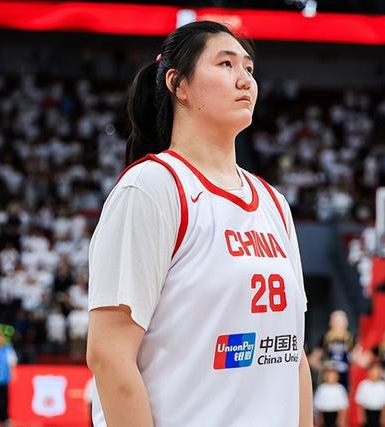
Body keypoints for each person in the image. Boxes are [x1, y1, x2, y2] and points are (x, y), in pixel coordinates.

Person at [86, 21, 312, 427]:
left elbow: (294, 357)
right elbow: (109, 355)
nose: (245, 80)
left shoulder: (274, 204)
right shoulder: (151, 187)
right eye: (226, 64)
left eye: (249, 69)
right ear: (178, 84)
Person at [310, 310, 354, 390]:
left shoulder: (351, 338)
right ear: (331, 322)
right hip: (328, 380)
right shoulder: (326, 338)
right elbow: (312, 360)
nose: (339, 324)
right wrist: (324, 367)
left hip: (345, 378)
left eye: (342, 321)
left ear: (346, 322)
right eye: (337, 321)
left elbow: (360, 359)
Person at [355, 362, 385, 427]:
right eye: (373, 371)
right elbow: (360, 404)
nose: (376, 373)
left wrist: (384, 418)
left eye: (378, 371)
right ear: (369, 372)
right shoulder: (364, 384)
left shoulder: (384, 385)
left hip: (379, 413)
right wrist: (362, 416)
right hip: (367, 413)